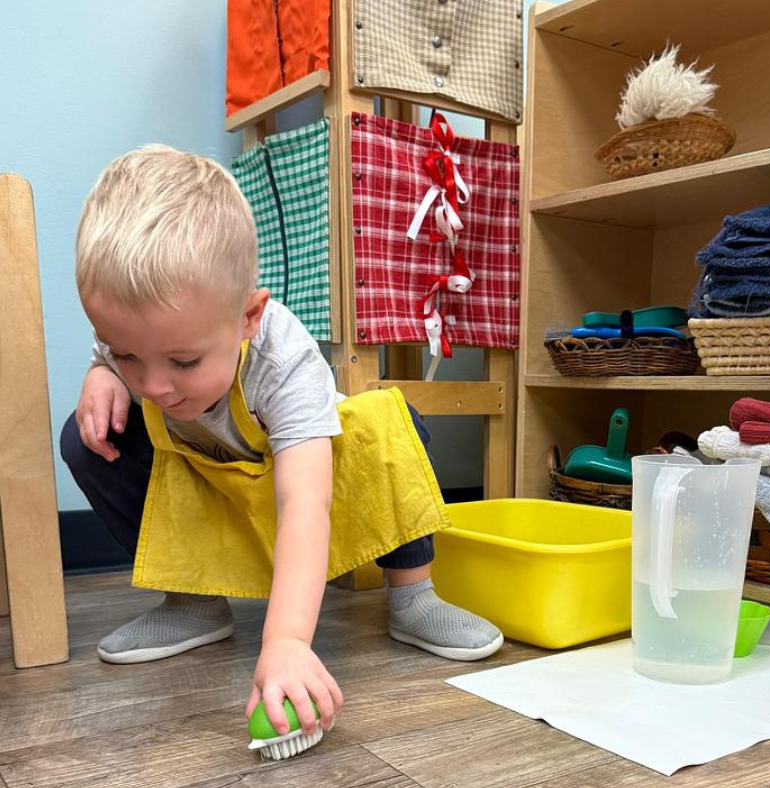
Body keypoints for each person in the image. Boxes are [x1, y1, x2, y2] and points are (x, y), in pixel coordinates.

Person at [60, 144, 502, 741]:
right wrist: (101, 375)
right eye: (127, 353)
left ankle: (412, 596)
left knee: (395, 425)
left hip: (312, 486)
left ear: (248, 317)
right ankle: (192, 601)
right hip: (221, 488)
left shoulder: (282, 359)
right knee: (86, 437)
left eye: (184, 360)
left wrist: (288, 641)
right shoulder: (135, 355)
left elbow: (305, 504)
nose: (156, 385)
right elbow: (116, 360)